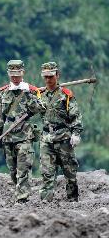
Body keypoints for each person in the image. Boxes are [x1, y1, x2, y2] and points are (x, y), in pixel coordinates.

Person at [0, 60, 45, 203]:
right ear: (8, 74)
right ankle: (19, 192)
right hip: (8, 136)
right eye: (12, 75)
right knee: (13, 171)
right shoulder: (4, 93)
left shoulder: (31, 91)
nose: (15, 78)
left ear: (23, 73)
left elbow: (40, 108)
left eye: (17, 74)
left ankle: (22, 199)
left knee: (23, 168)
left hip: (25, 135)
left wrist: (29, 96)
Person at [39, 62, 83, 201]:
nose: (48, 80)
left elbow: (75, 115)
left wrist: (76, 133)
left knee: (69, 172)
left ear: (57, 75)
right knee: (47, 172)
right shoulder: (40, 95)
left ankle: (72, 200)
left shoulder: (66, 95)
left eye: (51, 76)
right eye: (45, 77)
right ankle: (45, 202)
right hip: (46, 138)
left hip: (63, 138)